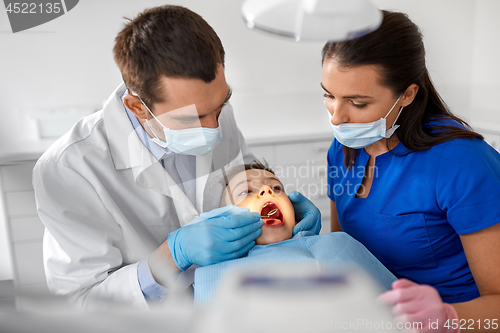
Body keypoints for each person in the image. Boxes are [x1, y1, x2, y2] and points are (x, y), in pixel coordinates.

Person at [32, 5, 321, 310]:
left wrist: (280, 204)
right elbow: (81, 302)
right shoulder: (69, 170)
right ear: (137, 108)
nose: (214, 129)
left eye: (220, 106)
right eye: (190, 119)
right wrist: (173, 256)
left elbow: (245, 179)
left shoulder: (215, 113)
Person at [322, 10, 500, 332]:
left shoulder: (461, 163)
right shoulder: (343, 149)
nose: (337, 118)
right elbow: (343, 251)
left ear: (407, 94)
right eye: (328, 95)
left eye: (358, 103)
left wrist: (448, 317)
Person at [193, 160, 396, 305]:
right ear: (223, 220)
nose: (266, 191)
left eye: (276, 187)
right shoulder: (212, 274)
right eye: (246, 191)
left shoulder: (340, 243)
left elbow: (394, 307)